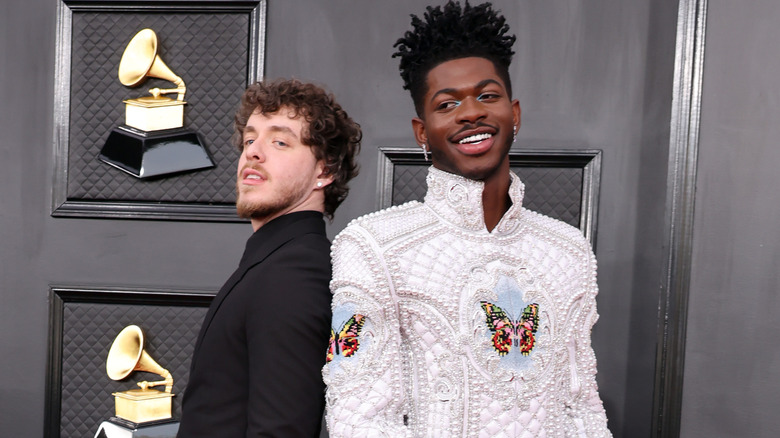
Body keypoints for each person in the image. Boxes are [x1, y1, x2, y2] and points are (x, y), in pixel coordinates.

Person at [322, 2, 611, 437]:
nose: (471, 112)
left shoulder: (568, 250)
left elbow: (582, 406)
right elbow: (359, 416)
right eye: (448, 103)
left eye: (487, 96)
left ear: (514, 114)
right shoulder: (372, 247)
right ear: (423, 132)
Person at [178, 79, 361, 437]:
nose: (254, 152)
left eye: (279, 141)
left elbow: (281, 431)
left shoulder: (294, 273)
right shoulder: (275, 261)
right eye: (250, 140)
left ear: (324, 171)